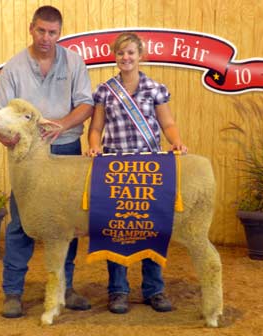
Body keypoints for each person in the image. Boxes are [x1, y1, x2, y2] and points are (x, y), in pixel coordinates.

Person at [0, 6, 94, 318]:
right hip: (30, 158)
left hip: (66, 149)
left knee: (69, 222)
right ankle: (13, 291)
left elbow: (86, 104)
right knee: (22, 222)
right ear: (31, 28)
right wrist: (9, 141)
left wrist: (62, 124)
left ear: (59, 33)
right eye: (41, 31)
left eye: (52, 32)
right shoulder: (14, 67)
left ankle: (65, 287)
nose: (46, 37)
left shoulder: (73, 61)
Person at [88, 32, 187, 314]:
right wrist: (94, 147)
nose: (126, 57)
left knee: (151, 224)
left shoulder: (155, 88)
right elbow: (95, 129)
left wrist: (176, 141)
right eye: (121, 53)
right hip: (114, 168)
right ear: (115, 56)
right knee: (117, 227)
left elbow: (167, 123)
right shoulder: (105, 91)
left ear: (141, 55)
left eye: (131, 52)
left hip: (150, 168)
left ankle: (154, 290)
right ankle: (118, 290)